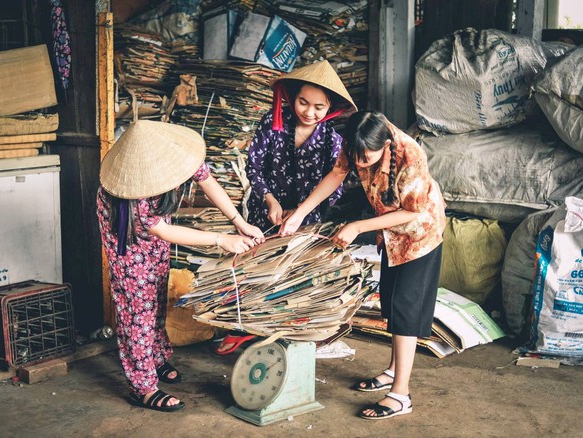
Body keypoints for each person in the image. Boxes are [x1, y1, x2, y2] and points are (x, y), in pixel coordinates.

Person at [280, 111, 446, 420]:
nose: (360, 163)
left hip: (420, 234)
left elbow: (412, 213)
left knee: (405, 312)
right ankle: (393, 370)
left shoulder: (410, 155)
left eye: (367, 157)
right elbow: (336, 174)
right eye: (356, 156)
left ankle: (400, 394)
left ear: (385, 144)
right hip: (391, 234)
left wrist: (359, 226)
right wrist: (300, 213)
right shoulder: (359, 141)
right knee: (391, 303)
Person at [97, 120, 264, 412]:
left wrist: (239, 221)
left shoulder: (176, 155)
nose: (178, 181)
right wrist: (219, 239)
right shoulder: (129, 193)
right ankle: (143, 386)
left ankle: (156, 357)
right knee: (138, 313)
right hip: (129, 251)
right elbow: (162, 229)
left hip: (155, 247)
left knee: (159, 297)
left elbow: (207, 179)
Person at [216, 60, 358, 355]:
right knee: (252, 269)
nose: (309, 111)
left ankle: (292, 335)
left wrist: (300, 212)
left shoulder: (333, 141)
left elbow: (335, 188)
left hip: (307, 218)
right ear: (293, 98)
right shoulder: (272, 122)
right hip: (263, 212)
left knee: (295, 274)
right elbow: (253, 167)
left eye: (319, 107)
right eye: (303, 102)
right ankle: (241, 329)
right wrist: (270, 200)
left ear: (329, 107)